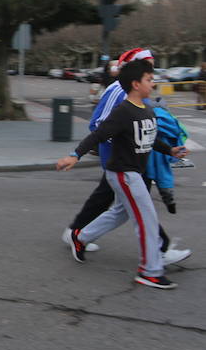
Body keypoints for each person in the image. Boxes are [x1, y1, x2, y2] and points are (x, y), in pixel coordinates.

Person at [56, 60, 190, 289]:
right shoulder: (123, 112)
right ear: (136, 84)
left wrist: (170, 150)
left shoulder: (146, 109)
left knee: (120, 213)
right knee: (146, 219)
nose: (153, 82)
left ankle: (80, 237)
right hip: (124, 174)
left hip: (132, 173)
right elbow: (97, 135)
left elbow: (150, 137)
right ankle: (150, 271)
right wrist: (74, 155)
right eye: (149, 79)